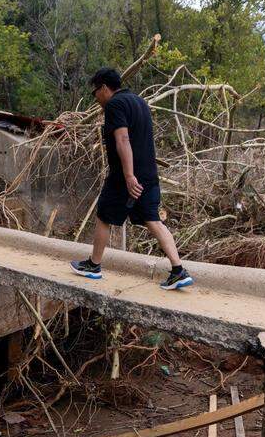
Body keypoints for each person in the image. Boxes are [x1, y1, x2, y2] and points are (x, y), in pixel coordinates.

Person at [70, 67, 193, 290]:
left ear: (105, 88)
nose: (95, 97)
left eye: (95, 92)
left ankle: (93, 265)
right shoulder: (139, 102)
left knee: (104, 216)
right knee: (153, 220)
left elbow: (123, 140)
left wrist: (128, 176)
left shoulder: (115, 105)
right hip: (148, 174)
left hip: (125, 177)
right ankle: (178, 270)